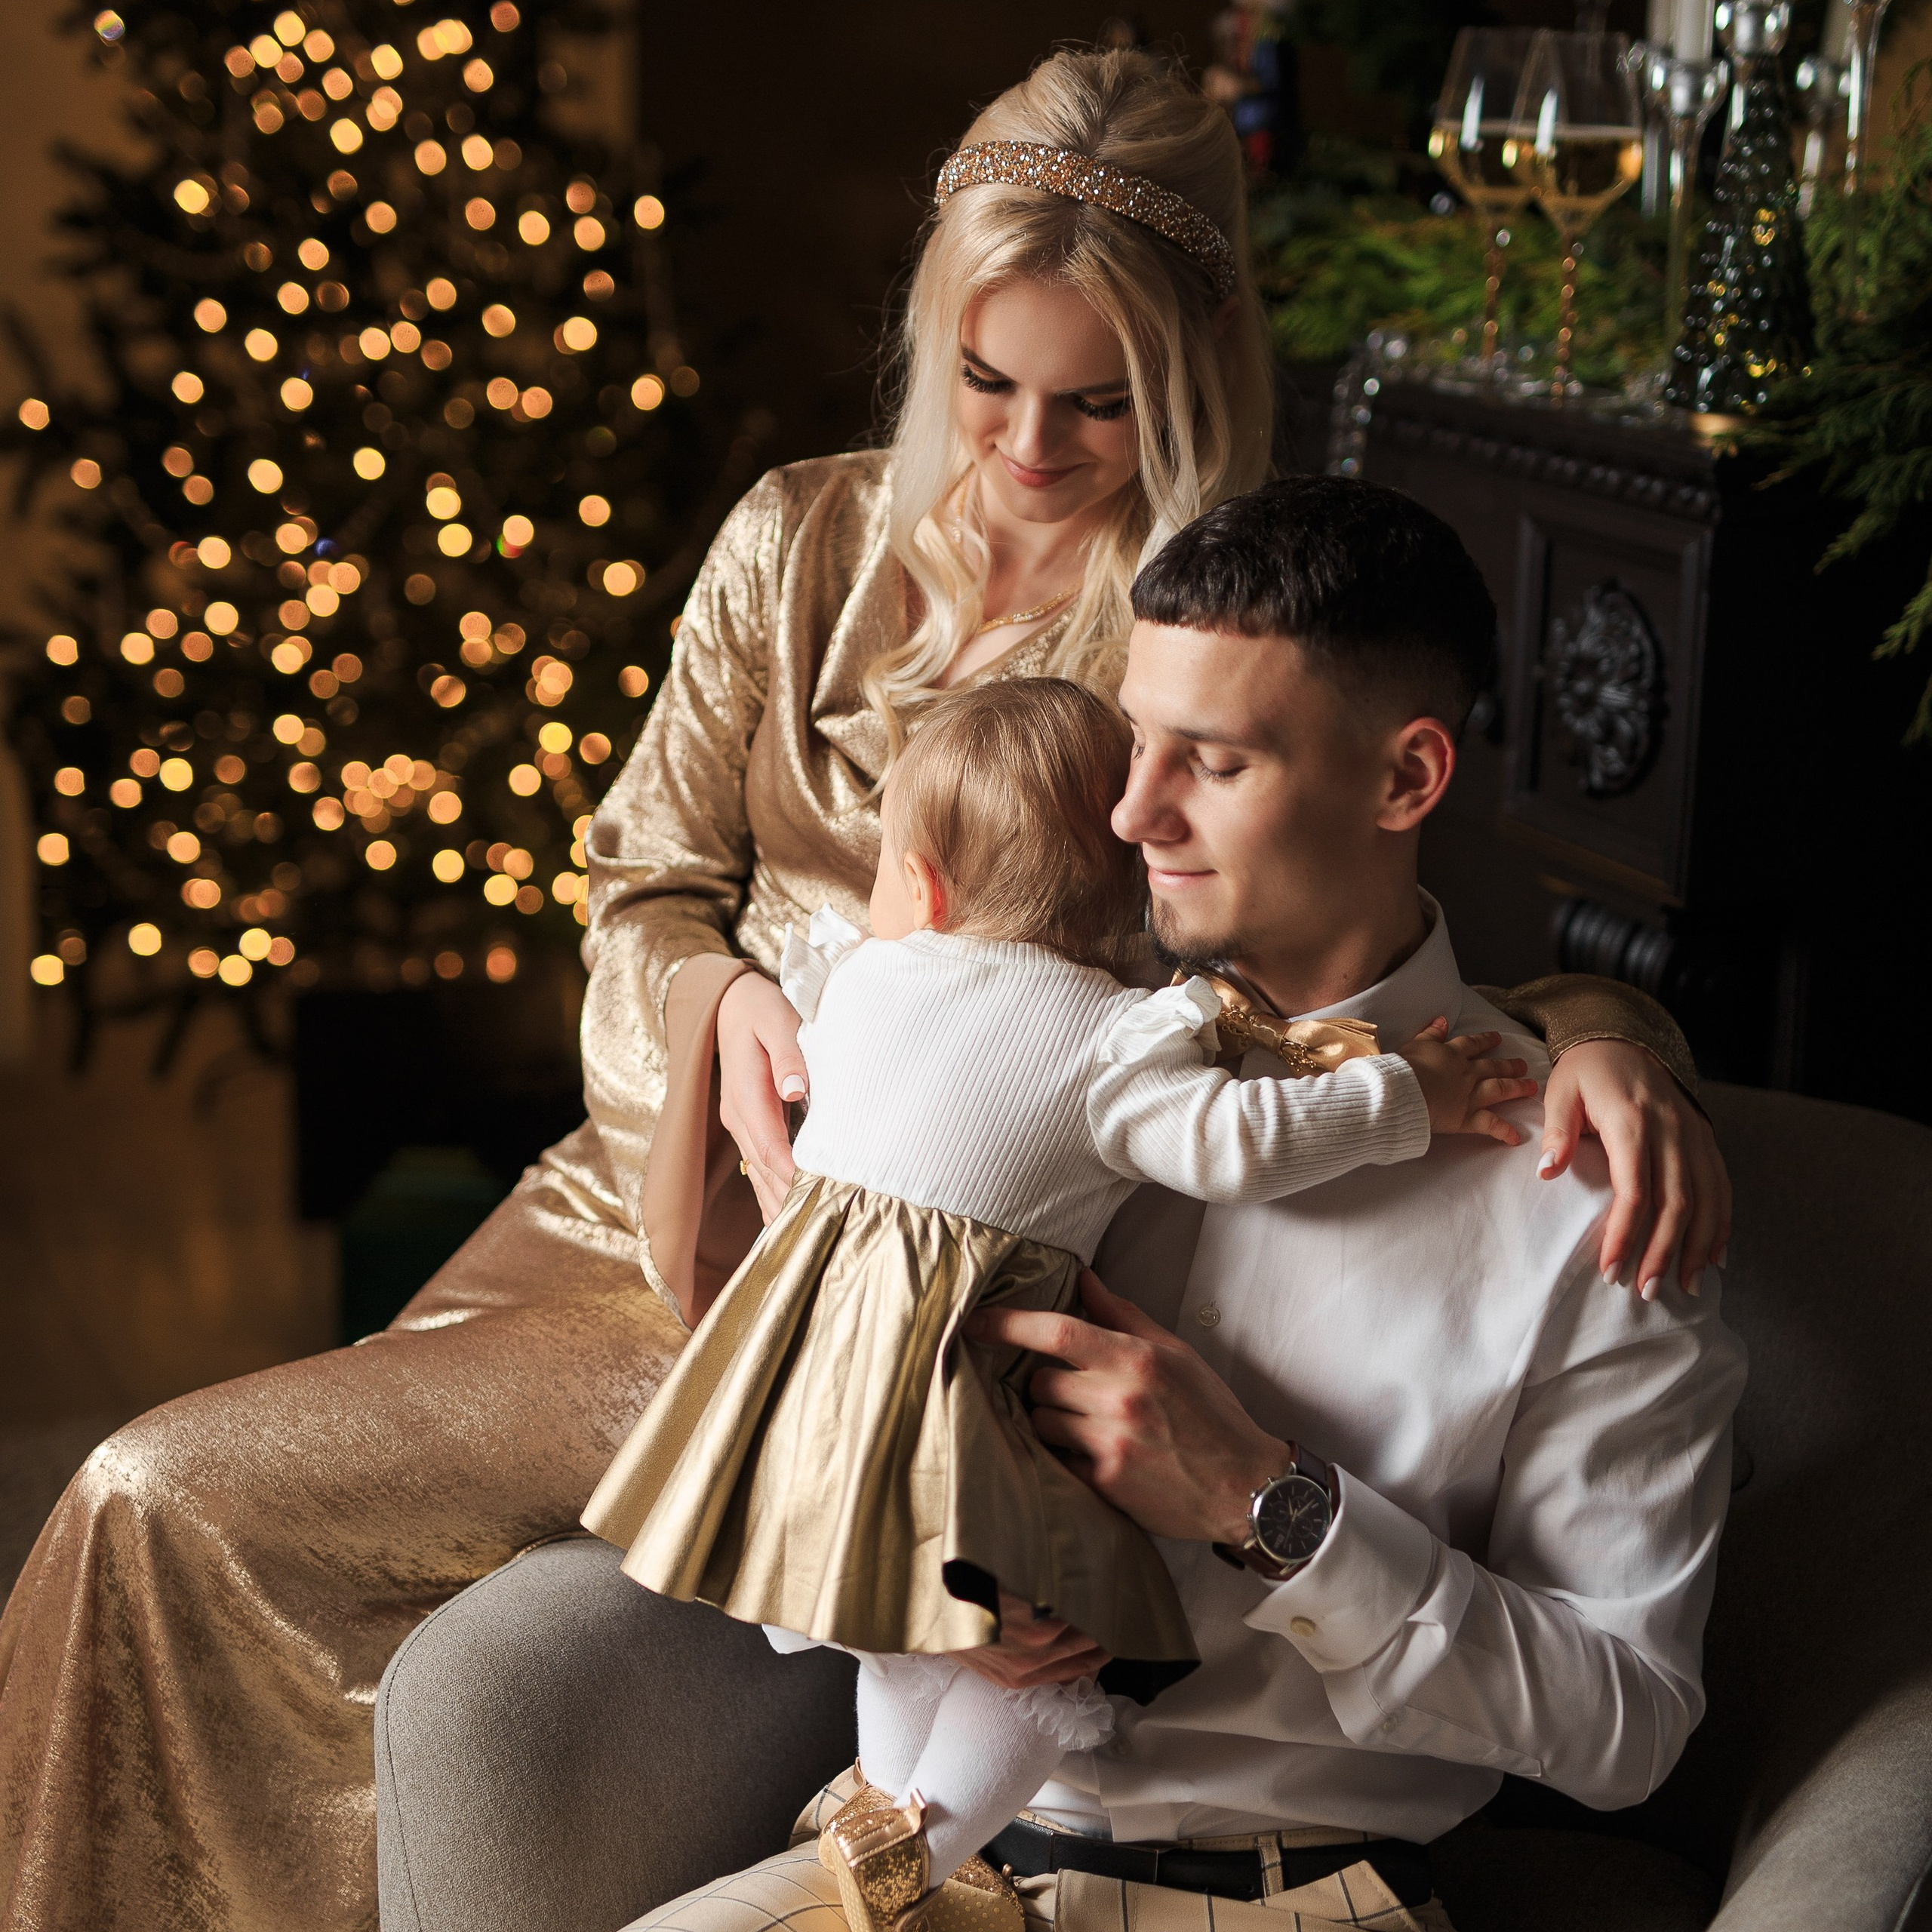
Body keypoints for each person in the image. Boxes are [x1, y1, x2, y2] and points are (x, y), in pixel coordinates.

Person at [0, 49, 1726, 1932]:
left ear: (1189, 375)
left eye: (1096, 399)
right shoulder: (801, 538)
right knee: (163, 1515)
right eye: (986, 382)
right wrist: (710, 1000)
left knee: (178, 1499)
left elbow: (1368, 956)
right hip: (652, 1176)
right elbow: (639, 870)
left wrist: (1611, 1034)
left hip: (870, 1269)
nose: (1031, 445)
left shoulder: (1219, 620)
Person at [620, 475, 1746, 1932]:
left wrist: (1272, 1512)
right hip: (918, 1857)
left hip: (1293, 1899)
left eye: (1210, 762)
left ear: (1406, 781)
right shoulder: (1016, 1029)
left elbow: (1632, 1725)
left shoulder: (1582, 1189)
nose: (1131, 810)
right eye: (1135, 738)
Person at [585, 677, 1537, 1927]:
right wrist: (1415, 1096)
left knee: (907, 1628)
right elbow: (1245, 1142)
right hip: (962, 1366)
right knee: (1046, 1668)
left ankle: (882, 1799)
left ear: (920, 889)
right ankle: (923, 1842)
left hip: (813, 1369)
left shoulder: (863, 985)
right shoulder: (1117, 1039)